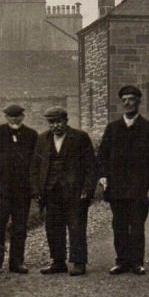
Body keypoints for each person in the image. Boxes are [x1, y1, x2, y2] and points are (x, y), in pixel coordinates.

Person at [97, 86, 149, 276]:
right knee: (118, 225)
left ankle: (137, 262)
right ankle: (121, 261)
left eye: (131, 99)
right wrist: (103, 177)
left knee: (136, 225)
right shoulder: (113, 128)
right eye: (124, 100)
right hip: (117, 187)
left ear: (138, 102)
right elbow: (102, 155)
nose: (127, 103)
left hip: (139, 188)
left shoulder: (148, 128)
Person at [29, 106, 97, 276]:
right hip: (51, 191)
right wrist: (36, 189)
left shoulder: (80, 137)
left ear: (66, 121)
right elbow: (35, 167)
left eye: (59, 122)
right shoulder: (42, 139)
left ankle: (78, 261)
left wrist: (87, 189)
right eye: (52, 122)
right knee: (53, 227)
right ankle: (58, 261)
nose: (56, 126)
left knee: (76, 226)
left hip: (74, 191)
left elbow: (90, 166)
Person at [0, 104, 38, 274]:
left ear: (23, 117)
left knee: (19, 227)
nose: (14, 119)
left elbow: (34, 164)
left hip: (22, 190)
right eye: (11, 116)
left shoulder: (31, 135)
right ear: (5, 117)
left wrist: (32, 187)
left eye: (17, 116)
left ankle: (17, 262)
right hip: (1, 190)